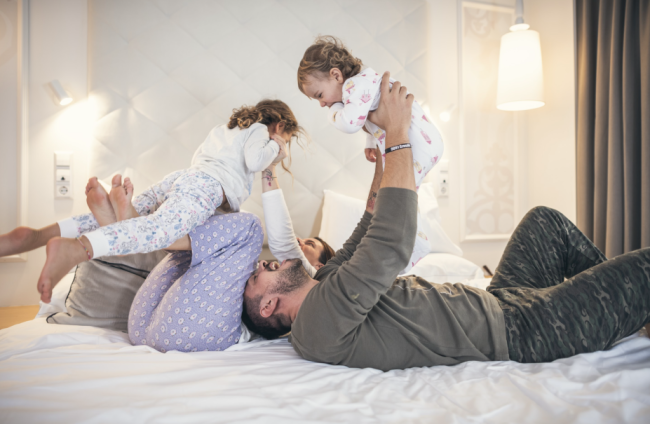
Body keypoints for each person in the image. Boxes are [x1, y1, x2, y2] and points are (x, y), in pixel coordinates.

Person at [242, 72, 650, 370]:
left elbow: (369, 224)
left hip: (498, 300)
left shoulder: (326, 282)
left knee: (545, 222)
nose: (261, 263)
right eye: (256, 277)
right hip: (523, 330)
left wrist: (384, 159)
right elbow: (390, 243)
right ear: (270, 305)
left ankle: (634, 315)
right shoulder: (316, 325)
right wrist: (398, 129)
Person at [0, 100, 303, 304]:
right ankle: (76, 248)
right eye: (286, 137)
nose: (281, 146)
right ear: (279, 125)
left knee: (146, 221)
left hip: (185, 178)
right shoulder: (262, 132)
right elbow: (255, 159)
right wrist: (276, 150)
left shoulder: (228, 128)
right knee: (162, 231)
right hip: (208, 187)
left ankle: (42, 234)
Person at [297, 35, 444, 273]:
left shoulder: (353, 86)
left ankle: (417, 243)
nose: (323, 104)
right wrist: (370, 139)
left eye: (319, 95)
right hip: (423, 142)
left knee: (396, 199)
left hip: (418, 143)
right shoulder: (364, 84)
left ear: (336, 75)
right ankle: (417, 240)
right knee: (401, 197)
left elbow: (351, 122)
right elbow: (370, 114)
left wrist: (334, 111)